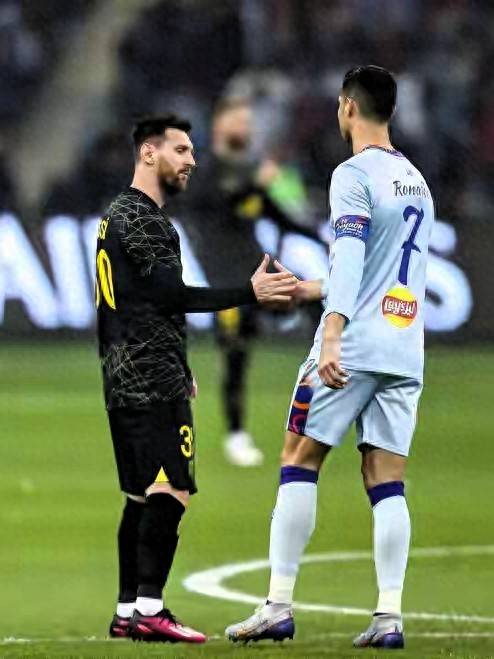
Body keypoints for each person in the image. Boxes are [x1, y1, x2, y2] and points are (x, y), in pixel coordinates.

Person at [225, 65, 434, 649]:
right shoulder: (416, 180)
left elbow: (350, 258)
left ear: (348, 107)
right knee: (386, 479)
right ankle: (389, 616)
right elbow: (387, 272)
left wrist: (333, 332)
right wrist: (307, 289)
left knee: (299, 458)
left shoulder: (352, 174)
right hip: (404, 345)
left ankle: (277, 606)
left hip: (354, 342)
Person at [96, 115, 297, 643]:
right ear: (149, 153)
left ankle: (126, 610)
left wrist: (180, 363)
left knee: (140, 496)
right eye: (181, 150)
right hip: (149, 376)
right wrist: (249, 293)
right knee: (174, 489)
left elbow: (143, 302)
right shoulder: (146, 221)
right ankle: (150, 609)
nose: (192, 161)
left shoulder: (116, 216)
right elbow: (174, 296)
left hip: (124, 371)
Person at [178, 97, 320, 467]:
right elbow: (216, 204)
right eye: (238, 121)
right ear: (219, 126)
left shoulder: (249, 171)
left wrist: (324, 237)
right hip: (226, 282)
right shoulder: (203, 170)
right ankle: (236, 434)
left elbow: (277, 215)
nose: (245, 128)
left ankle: (325, 384)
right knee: (236, 354)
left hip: (259, 270)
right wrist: (255, 185)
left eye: (247, 122)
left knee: (313, 299)